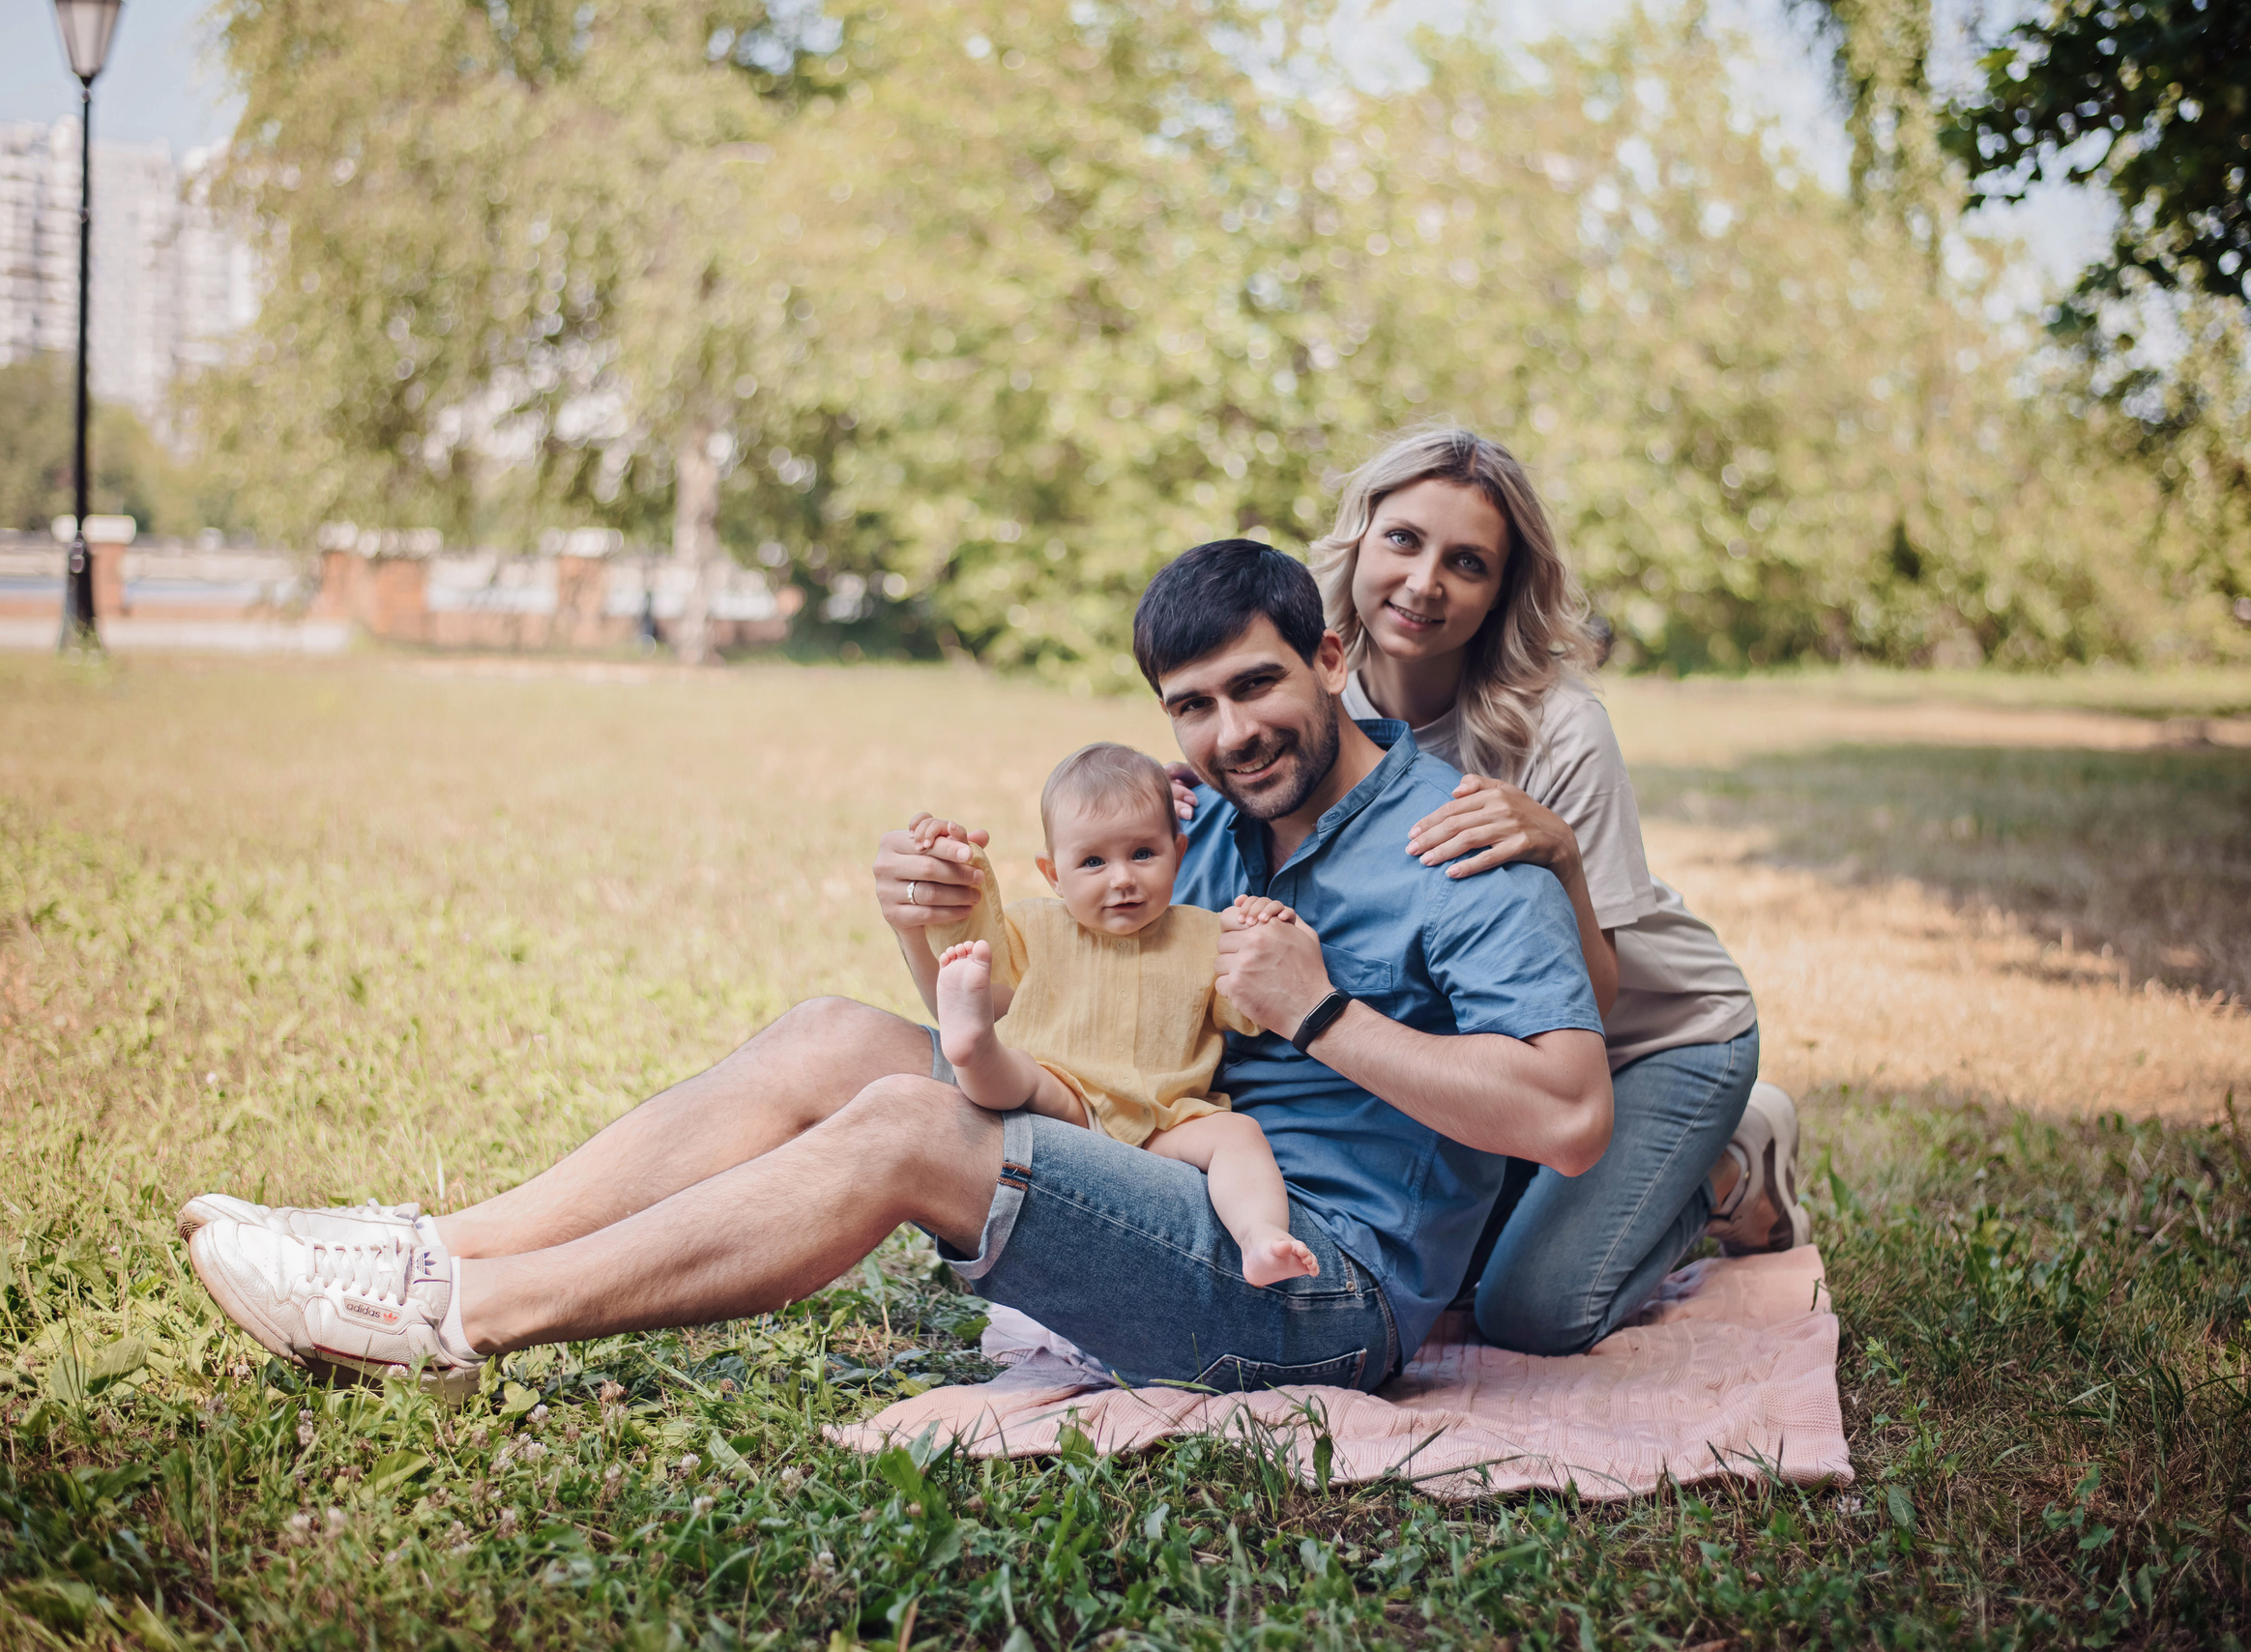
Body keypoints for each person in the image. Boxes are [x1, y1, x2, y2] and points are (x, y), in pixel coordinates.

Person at [179, 538, 1613, 1398]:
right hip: (1157, 1165)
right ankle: (440, 1240)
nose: (1231, 732)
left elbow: (1566, 1116)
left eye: (1258, 686)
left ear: (1332, 652)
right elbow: (1068, 1001)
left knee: (911, 1128)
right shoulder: (1218, 825)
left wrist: (1329, 1014)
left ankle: (458, 1322)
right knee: (825, 1039)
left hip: (1317, 1290)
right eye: (1193, 708)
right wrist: (923, 919)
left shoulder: (1454, 844)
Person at [1310, 424, 1804, 1356]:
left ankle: (1728, 1164)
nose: (1424, 584)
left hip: (1653, 1040)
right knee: (1441, 1277)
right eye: (1405, 540)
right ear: (1360, 538)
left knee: (1531, 1308)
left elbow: (1602, 993)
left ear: (1502, 589)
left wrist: (1563, 855)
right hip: (1504, 1061)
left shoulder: (1558, 731)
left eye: (1467, 562)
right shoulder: (1317, 702)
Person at [919, 740, 1319, 1288]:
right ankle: (973, 1048)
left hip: (1163, 1123)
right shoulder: (1033, 925)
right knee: (1017, 1075)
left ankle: (1260, 1237)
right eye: (1092, 862)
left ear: (1178, 853)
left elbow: (1252, 1009)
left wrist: (1272, 934)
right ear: (1053, 874)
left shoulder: (1205, 934)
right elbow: (979, 948)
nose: (1122, 878)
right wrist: (953, 866)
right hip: (1065, 1099)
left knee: (1238, 1135)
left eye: (1143, 854)